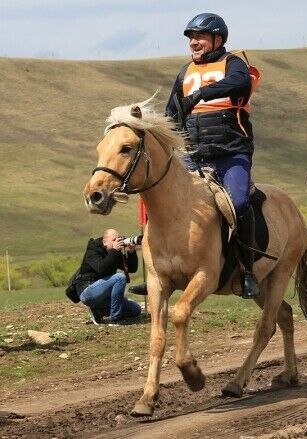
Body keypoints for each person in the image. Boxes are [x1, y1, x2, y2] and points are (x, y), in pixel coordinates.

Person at [165, 12, 259, 299]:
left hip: (231, 153)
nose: (194, 42)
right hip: (193, 156)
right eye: (191, 38)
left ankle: (247, 270)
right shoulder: (184, 73)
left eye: (200, 37)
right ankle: (163, 269)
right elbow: (171, 114)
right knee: (165, 202)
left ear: (218, 39)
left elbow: (240, 84)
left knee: (240, 203)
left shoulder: (233, 64)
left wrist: (201, 94)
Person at [78, 229, 142, 325]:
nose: (117, 242)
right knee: (120, 277)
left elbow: (131, 269)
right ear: (104, 242)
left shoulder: (114, 252)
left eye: (118, 239)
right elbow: (101, 268)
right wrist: (114, 251)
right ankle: (114, 319)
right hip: (88, 292)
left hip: (105, 297)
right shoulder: (92, 250)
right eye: (114, 240)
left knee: (135, 310)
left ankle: (98, 311)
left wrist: (132, 252)